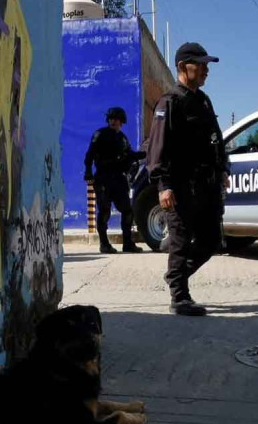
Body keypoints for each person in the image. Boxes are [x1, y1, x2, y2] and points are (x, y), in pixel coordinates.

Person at [147, 42, 229, 316]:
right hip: (180, 186)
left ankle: (176, 276)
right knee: (180, 241)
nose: (206, 70)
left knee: (211, 240)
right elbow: (157, 147)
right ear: (183, 67)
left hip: (206, 185)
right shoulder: (170, 102)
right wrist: (163, 185)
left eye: (207, 65)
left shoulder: (203, 100)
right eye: (201, 64)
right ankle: (179, 298)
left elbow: (216, 139)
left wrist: (223, 169)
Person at [84, 107, 145, 254]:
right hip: (103, 178)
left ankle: (128, 243)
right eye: (111, 118)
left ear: (121, 121)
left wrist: (145, 154)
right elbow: (89, 155)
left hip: (118, 178)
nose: (113, 121)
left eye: (116, 119)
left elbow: (130, 155)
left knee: (127, 211)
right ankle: (104, 244)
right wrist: (88, 173)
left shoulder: (122, 138)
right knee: (104, 211)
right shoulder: (100, 134)